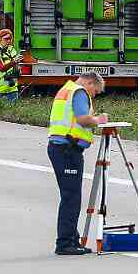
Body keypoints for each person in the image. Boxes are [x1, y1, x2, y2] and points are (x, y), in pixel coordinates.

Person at [47, 72, 108, 256]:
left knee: (71, 196)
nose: (94, 95)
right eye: (95, 92)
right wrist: (99, 120)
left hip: (64, 148)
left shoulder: (67, 88)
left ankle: (72, 238)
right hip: (67, 149)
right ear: (90, 83)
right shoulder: (80, 92)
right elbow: (83, 119)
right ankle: (65, 242)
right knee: (71, 197)